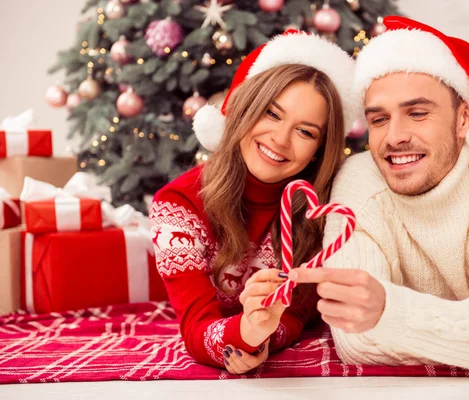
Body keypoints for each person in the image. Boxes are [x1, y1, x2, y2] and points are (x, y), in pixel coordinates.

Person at [288, 16, 469, 373]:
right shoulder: (359, 181)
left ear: (464, 119)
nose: (394, 137)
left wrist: (390, 313)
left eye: (417, 113)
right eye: (379, 119)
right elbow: (356, 339)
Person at [149, 30, 356, 374]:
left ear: (320, 148)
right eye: (272, 114)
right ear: (245, 109)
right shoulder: (178, 204)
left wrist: (265, 335)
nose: (280, 139)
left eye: (305, 131)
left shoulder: (323, 206)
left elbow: (298, 312)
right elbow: (196, 326)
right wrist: (246, 332)